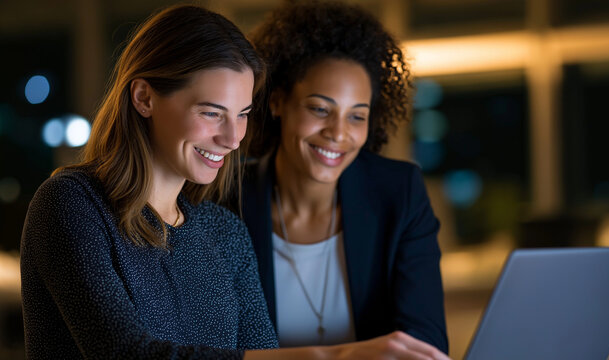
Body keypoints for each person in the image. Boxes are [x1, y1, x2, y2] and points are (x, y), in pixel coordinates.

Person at [21, 4, 449, 360]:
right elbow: (127, 355)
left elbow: (261, 353)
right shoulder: (71, 204)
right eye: (211, 112)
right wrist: (334, 355)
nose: (232, 139)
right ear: (144, 98)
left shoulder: (224, 233)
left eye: (242, 114)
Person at [241, 0, 449, 354]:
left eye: (357, 116)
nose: (339, 133)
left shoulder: (399, 194)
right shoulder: (225, 200)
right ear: (277, 102)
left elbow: (424, 344)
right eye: (320, 109)